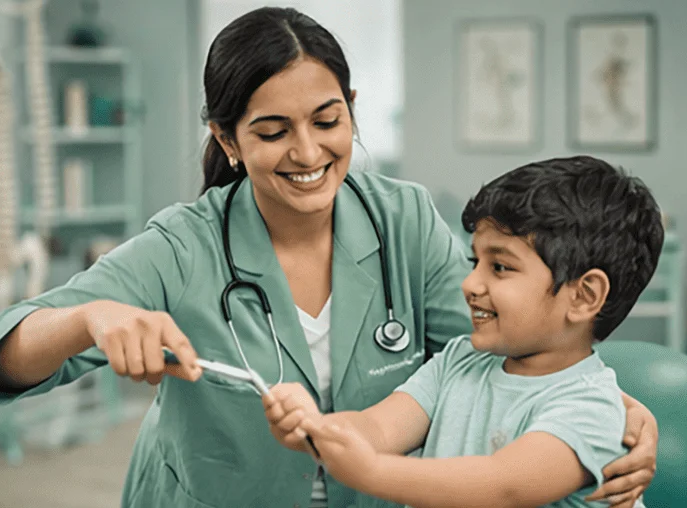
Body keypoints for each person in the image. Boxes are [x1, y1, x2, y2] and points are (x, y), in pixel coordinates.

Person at [0, 7, 657, 508]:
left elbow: (508, 344)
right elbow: (3, 361)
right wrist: (91, 316)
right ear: (227, 138)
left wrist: (621, 409)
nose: (307, 153)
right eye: (272, 132)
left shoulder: (403, 219)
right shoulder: (184, 245)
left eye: (327, 121)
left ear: (351, 109)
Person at [264, 156, 663, 508]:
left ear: (584, 296)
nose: (470, 284)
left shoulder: (591, 412)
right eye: (476, 261)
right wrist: (315, 427)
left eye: (500, 267)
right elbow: (378, 428)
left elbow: (501, 485)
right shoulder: (459, 361)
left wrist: (370, 472)